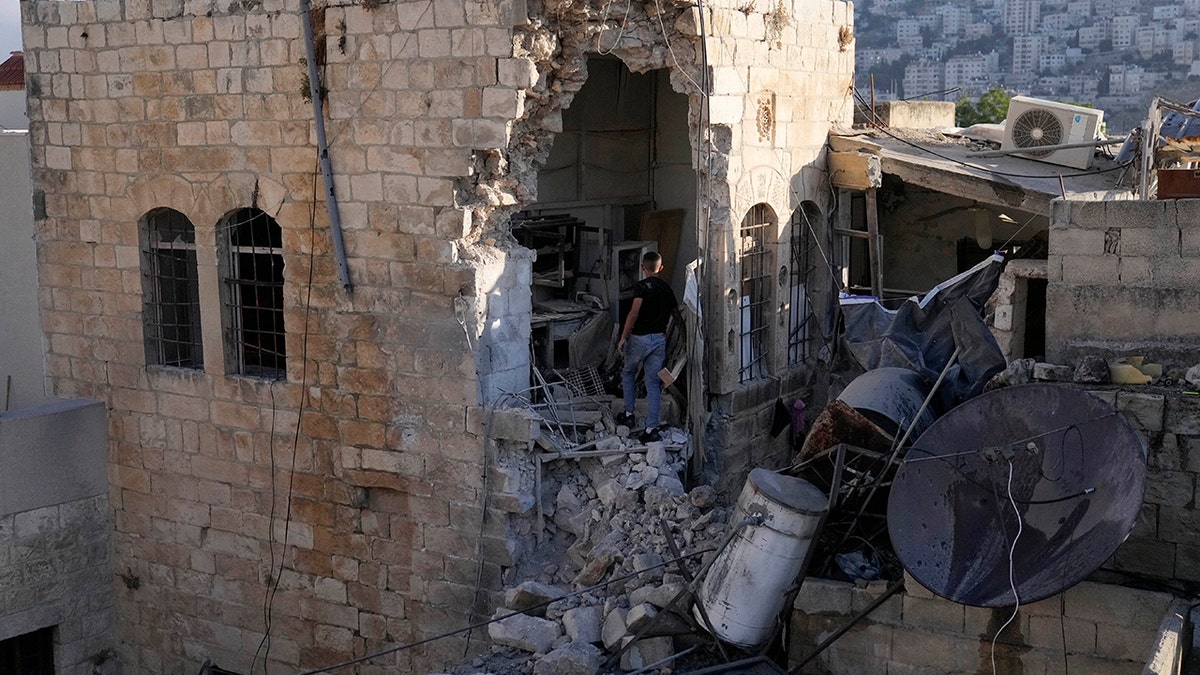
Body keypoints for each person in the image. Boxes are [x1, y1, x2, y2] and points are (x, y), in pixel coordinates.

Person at [617, 251, 682, 443]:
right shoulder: (667, 289)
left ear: (642, 268)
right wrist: (686, 338)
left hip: (639, 339)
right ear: (661, 268)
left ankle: (629, 415)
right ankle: (651, 429)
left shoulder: (641, 287)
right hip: (659, 341)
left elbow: (633, 314)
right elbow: (677, 316)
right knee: (653, 384)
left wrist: (623, 337)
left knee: (628, 373)